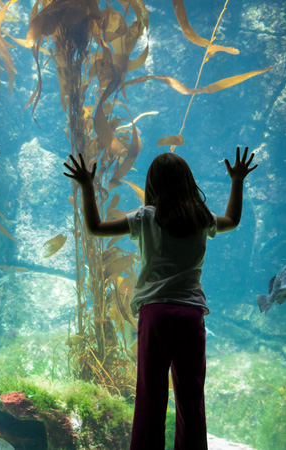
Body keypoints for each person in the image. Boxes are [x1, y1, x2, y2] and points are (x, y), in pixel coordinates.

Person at [63, 147, 257, 450]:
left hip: (155, 314)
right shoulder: (201, 217)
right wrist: (238, 181)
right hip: (191, 314)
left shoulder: (145, 217)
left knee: (150, 396)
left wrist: (87, 186)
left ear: (152, 183)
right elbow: (231, 220)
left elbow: (95, 227)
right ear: (188, 181)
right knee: (191, 396)